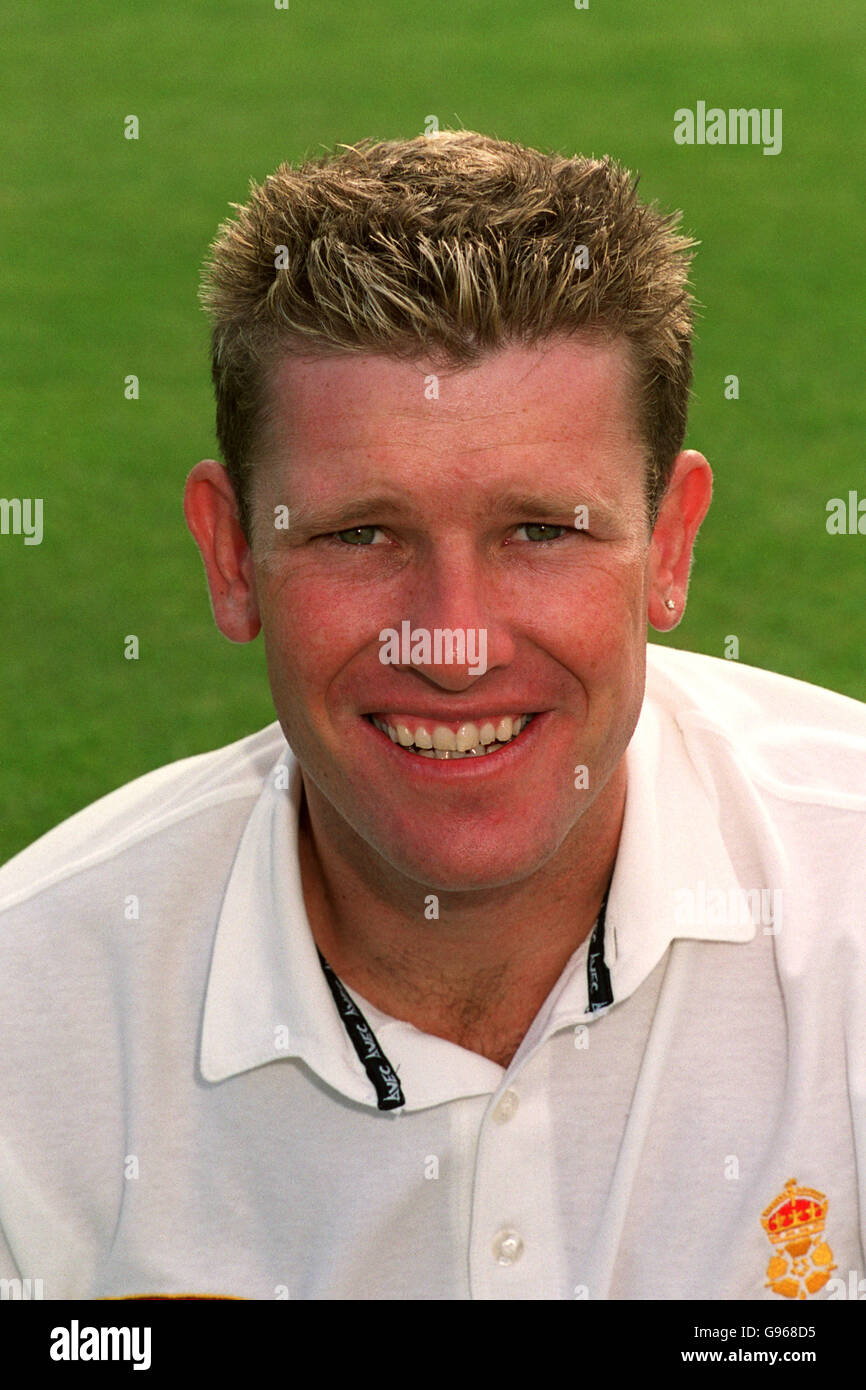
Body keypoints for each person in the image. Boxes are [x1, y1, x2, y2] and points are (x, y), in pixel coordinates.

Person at [1, 131, 864, 1303]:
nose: (452, 644)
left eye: (540, 531)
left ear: (668, 546)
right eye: (359, 534)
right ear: (232, 554)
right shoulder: (27, 1018)